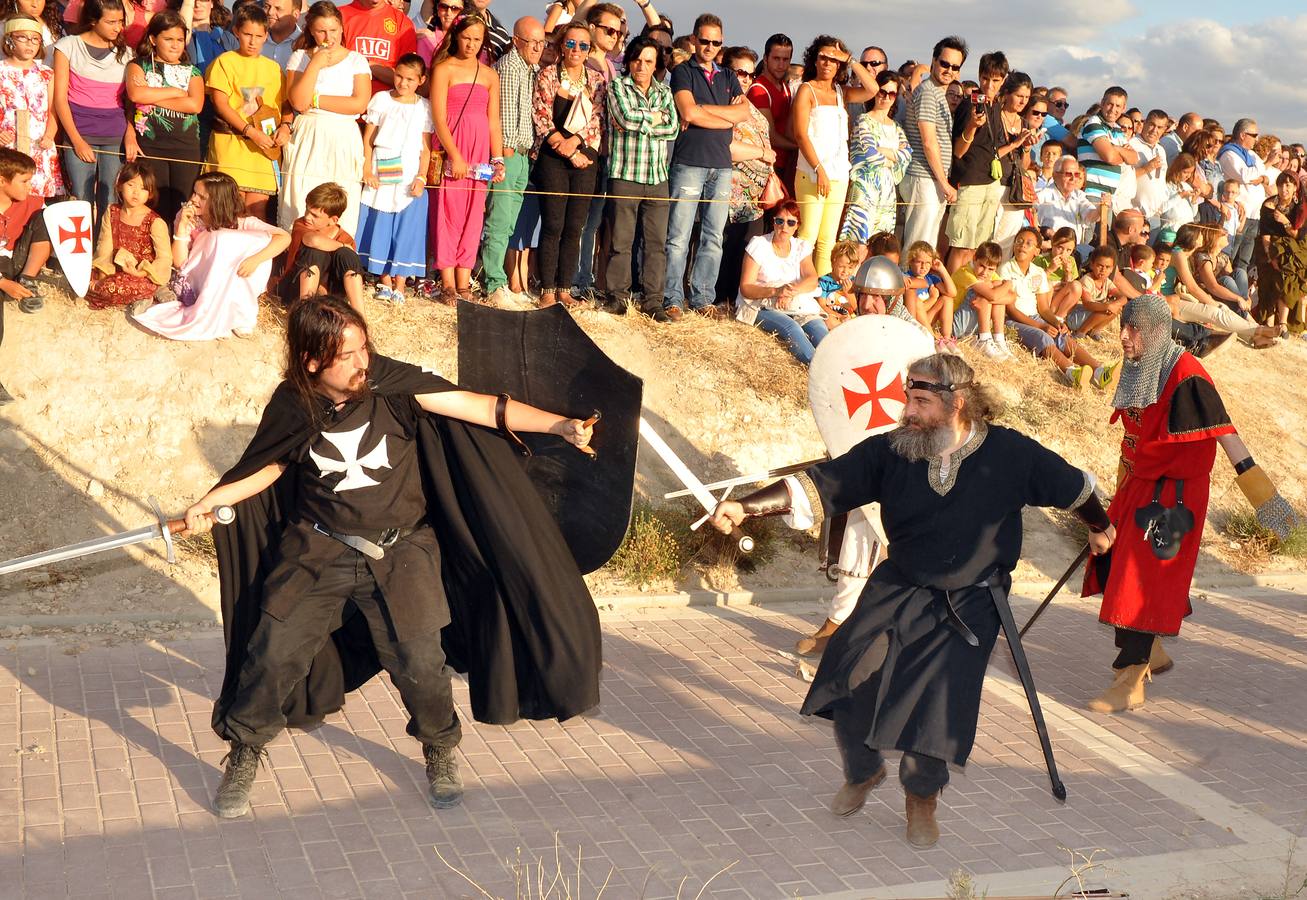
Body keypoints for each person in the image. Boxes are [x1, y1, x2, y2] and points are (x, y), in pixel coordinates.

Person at [182, 294, 601, 817]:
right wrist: (209, 504)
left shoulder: (391, 386)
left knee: (422, 664)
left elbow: (477, 405)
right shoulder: (295, 403)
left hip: (402, 550)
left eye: (365, 348)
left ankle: (440, 750)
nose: (363, 362)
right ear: (313, 361)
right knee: (271, 652)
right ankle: (245, 749)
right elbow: (268, 467)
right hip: (317, 548)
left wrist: (558, 425)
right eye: (348, 354)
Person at [710, 352, 1113, 848]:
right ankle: (863, 771)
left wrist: (1100, 526)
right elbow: (822, 485)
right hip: (900, 583)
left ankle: (921, 798)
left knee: (936, 704)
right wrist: (746, 506)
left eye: (920, 401)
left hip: (971, 600)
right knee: (848, 673)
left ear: (957, 403)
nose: (907, 410)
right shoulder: (893, 450)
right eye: (908, 398)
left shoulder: (1011, 454)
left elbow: (1073, 487)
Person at [1080, 294, 1272, 712]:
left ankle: (1130, 679)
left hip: (1174, 495)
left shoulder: (1187, 373)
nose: (1125, 336)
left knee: (1141, 576)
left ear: (1154, 330)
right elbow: (1132, 439)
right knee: (1112, 561)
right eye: (1123, 327)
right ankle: (1153, 650)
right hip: (1140, 483)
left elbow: (1226, 433)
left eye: (1134, 329)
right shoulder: (1138, 368)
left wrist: (1268, 502)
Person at [661, 13, 748, 320]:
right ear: (695, 39)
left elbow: (743, 113)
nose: (710, 47)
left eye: (716, 42)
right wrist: (721, 116)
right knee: (679, 236)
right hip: (689, 163)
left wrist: (704, 111)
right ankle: (672, 296)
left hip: (721, 166)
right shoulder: (683, 72)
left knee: (713, 237)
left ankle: (702, 298)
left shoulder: (728, 75)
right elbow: (688, 112)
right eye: (705, 40)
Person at [135, 171, 289, 339]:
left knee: (261, 241)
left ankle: (238, 314)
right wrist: (182, 227)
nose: (193, 199)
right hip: (199, 280)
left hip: (234, 281)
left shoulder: (242, 222)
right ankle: (216, 315)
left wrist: (254, 260)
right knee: (218, 238)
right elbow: (180, 263)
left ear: (218, 202)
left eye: (201, 196)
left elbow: (284, 237)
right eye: (194, 192)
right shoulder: (187, 217)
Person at [430, 13, 504, 304]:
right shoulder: (443, 68)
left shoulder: (489, 74)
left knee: (474, 216)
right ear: (456, 36)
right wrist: (454, 154)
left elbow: (494, 121)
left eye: (477, 39)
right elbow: (438, 116)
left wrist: (497, 159)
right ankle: (447, 281)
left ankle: (464, 280)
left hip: (480, 150)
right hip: (454, 147)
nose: (472, 44)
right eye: (466, 37)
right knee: (448, 214)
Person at [279, 1, 371, 235]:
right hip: (309, 134)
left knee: (340, 197)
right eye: (321, 31)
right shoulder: (299, 57)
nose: (328, 36)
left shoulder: (356, 60)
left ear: (341, 28)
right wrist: (316, 63)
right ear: (311, 30)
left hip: (342, 137)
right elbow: (298, 102)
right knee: (301, 196)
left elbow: (358, 104)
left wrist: (317, 100)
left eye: (333, 30)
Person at [530, 20, 604, 310]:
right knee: (553, 223)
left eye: (583, 45)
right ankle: (546, 288)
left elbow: (598, 119)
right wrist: (565, 147)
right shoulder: (547, 75)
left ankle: (564, 288)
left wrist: (575, 144)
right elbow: (541, 116)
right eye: (571, 43)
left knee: (575, 226)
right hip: (552, 156)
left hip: (585, 156)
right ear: (561, 45)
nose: (576, 49)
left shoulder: (597, 80)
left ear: (589, 50)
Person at [602, 34, 676, 320]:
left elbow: (673, 129)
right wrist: (654, 118)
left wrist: (643, 119)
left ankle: (653, 302)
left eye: (648, 61)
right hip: (625, 174)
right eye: (637, 60)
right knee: (621, 242)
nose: (641, 66)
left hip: (658, 177)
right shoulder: (618, 86)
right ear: (630, 61)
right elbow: (624, 119)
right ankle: (617, 297)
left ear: (656, 64)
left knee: (657, 245)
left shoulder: (664, 92)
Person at [790, 34, 876, 275]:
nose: (828, 63)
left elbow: (873, 89)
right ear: (814, 61)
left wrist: (850, 59)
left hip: (839, 173)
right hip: (812, 172)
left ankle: (821, 292)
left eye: (833, 59)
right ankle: (799, 286)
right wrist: (819, 169)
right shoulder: (806, 90)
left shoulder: (841, 92)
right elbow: (800, 135)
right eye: (823, 57)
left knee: (828, 239)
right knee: (808, 235)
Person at [357, 52, 432, 304]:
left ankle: (401, 282)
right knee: (381, 222)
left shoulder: (424, 107)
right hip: (381, 167)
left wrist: (422, 176)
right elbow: (369, 138)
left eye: (410, 79)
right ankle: (384, 280)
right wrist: (367, 169)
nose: (403, 83)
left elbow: (426, 147)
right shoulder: (380, 99)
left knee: (406, 226)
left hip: (409, 171)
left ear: (421, 80)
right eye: (399, 76)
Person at [1000, 226, 1116, 388]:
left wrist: (1056, 322)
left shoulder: (1037, 272)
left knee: (1061, 335)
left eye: (1028, 243)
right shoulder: (1005, 268)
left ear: (1036, 251)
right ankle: (1071, 372)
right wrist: (1041, 325)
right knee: (1043, 337)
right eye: (1019, 241)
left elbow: (1043, 309)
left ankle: (1099, 371)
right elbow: (1010, 310)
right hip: (1013, 321)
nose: (1022, 245)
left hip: (1034, 317)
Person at [52, 0, 134, 222]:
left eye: (120, 21)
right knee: (81, 198)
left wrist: (130, 133)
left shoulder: (127, 53)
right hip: (79, 133)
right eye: (110, 22)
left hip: (114, 135)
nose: (117, 27)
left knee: (110, 200)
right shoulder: (68, 46)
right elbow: (60, 99)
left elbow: (130, 101)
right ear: (92, 20)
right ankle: (82, 255)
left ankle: (103, 254)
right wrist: (76, 140)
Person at [480, 15, 542, 307]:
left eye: (542, 42)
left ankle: (498, 280)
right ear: (517, 41)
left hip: (522, 154)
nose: (538, 47)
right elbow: (501, 114)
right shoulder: (507, 67)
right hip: (507, 152)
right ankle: (494, 282)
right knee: (499, 219)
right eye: (533, 42)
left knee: (508, 224)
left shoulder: (531, 70)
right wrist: (502, 152)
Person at [205, 3, 288, 221]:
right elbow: (220, 103)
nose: (252, 41)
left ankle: (257, 255)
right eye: (247, 34)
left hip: (262, 149)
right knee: (231, 209)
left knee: (257, 210)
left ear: (265, 35)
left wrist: (286, 127)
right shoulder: (224, 62)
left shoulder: (273, 68)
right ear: (236, 32)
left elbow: (286, 104)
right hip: (232, 143)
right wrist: (250, 131)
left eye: (258, 36)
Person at [124, 10, 204, 229]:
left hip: (185, 148)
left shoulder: (192, 71)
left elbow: (195, 105)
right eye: (168, 39)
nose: (175, 45)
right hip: (151, 146)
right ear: (153, 39)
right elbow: (136, 95)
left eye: (179, 40)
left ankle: (178, 253)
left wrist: (154, 95)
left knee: (182, 204)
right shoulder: (138, 65)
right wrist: (175, 92)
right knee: (154, 203)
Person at [714, 45, 772, 314]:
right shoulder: (719, 107)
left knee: (747, 255)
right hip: (726, 195)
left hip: (754, 201)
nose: (746, 79)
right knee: (722, 253)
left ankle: (736, 305)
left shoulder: (758, 116)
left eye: (750, 74)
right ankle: (716, 302)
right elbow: (727, 149)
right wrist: (761, 153)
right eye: (740, 72)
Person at [734, 200, 826, 365]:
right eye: (780, 221)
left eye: (790, 222)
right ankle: (818, 369)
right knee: (792, 328)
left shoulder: (801, 247)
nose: (784, 226)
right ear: (773, 221)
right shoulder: (759, 244)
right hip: (761, 302)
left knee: (821, 332)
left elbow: (812, 279)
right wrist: (776, 292)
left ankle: (837, 370)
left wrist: (789, 292)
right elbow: (746, 287)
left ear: (797, 226)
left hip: (794, 302)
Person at [943, 51, 1008, 271]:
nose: (989, 85)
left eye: (996, 80)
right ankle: (952, 295)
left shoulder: (996, 106)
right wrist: (971, 125)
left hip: (990, 182)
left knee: (978, 248)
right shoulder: (967, 105)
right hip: (969, 182)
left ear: (1003, 80)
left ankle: (964, 293)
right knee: (961, 246)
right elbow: (958, 152)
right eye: (985, 79)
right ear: (979, 76)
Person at [899, 36, 965, 250]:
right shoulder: (928, 92)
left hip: (931, 178)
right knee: (918, 244)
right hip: (923, 176)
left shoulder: (936, 93)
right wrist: (944, 183)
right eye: (945, 63)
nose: (949, 70)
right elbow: (928, 142)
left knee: (925, 245)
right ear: (934, 61)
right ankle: (910, 282)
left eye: (955, 67)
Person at [0, 148, 52, 402]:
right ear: (2, 180)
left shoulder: (30, 203)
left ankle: (28, 279)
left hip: (16, 264)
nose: (29, 187)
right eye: (24, 181)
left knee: (46, 216)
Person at [86, 162, 171, 310]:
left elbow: (164, 258)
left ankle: (151, 293)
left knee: (112, 287)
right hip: (115, 269)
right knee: (84, 279)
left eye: (143, 188)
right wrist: (102, 275)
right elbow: (104, 247)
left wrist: (141, 272)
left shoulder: (155, 221)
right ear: (120, 185)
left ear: (150, 194)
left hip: (143, 275)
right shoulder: (112, 211)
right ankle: (138, 298)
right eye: (131, 185)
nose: (136, 192)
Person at [839, 70, 909, 244]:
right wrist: (893, 155)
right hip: (865, 188)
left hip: (887, 192)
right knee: (858, 241)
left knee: (880, 244)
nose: (886, 98)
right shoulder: (863, 121)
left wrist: (883, 150)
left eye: (891, 94)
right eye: (882, 92)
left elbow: (907, 155)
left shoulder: (897, 127)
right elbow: (870, 155)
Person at [0, 16, 64, 199]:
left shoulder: (46, 72)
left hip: (39, 143)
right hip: (8, 143)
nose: (30, 44)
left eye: (35, 39)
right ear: (10, 40)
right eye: (23, 38)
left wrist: (50, 134)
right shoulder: (1, 71)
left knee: (36, 195)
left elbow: (53, 109)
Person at [280, 181, 366, 312]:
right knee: (315, 251)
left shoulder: (346, 238)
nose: (307, 217)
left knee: (347, 255)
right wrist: (342, 245)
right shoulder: (301, 225)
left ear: (333, 220)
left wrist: (344, 249)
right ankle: (304, 314)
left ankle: (360, 318)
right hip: (296, 292)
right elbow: (313, 240)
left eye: (315, 215)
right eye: (307, 210)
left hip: (331, 299)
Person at [1255, 172, 1307, 336]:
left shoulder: (1301, 208)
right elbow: (1265, 234)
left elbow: (1299, 235)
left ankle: (1285, 323)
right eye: (1280, 185)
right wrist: (1270, 256)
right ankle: (1271, 322)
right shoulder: (1269, 205)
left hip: (1296, 248)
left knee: (1289, 272)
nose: (1283, 189)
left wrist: (1285, 221)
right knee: (1272, 272)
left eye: (1288, 185)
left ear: (1295, 189)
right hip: (1271, 246)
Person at [746, 33, 796, 190]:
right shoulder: (758, 90)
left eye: (785, 59)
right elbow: (771, 136)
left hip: (784, 164)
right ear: (766, 58)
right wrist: (801, 147)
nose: (781, 64)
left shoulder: (786, 88)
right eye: (776, 58)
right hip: (767, 166)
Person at [951, 240, 1015, 357]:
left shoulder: (990, 275)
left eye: (990, 269)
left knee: (994, 289)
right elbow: (992, 295)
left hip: (971, 329)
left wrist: (997, 293)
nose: (985, 272)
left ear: (995, 268)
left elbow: (1012, 297)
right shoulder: (965, 272)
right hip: (955, 326)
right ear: (974, 259)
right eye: (982, 266)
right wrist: (1008, 284)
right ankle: (984, 339)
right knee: (988, 291)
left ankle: (998, 339)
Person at [340, 0, 417, 93]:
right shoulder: (339, 16)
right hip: (346, 99)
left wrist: (365, 63)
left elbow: (408, 79)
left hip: (387, 103)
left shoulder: (403, 23)